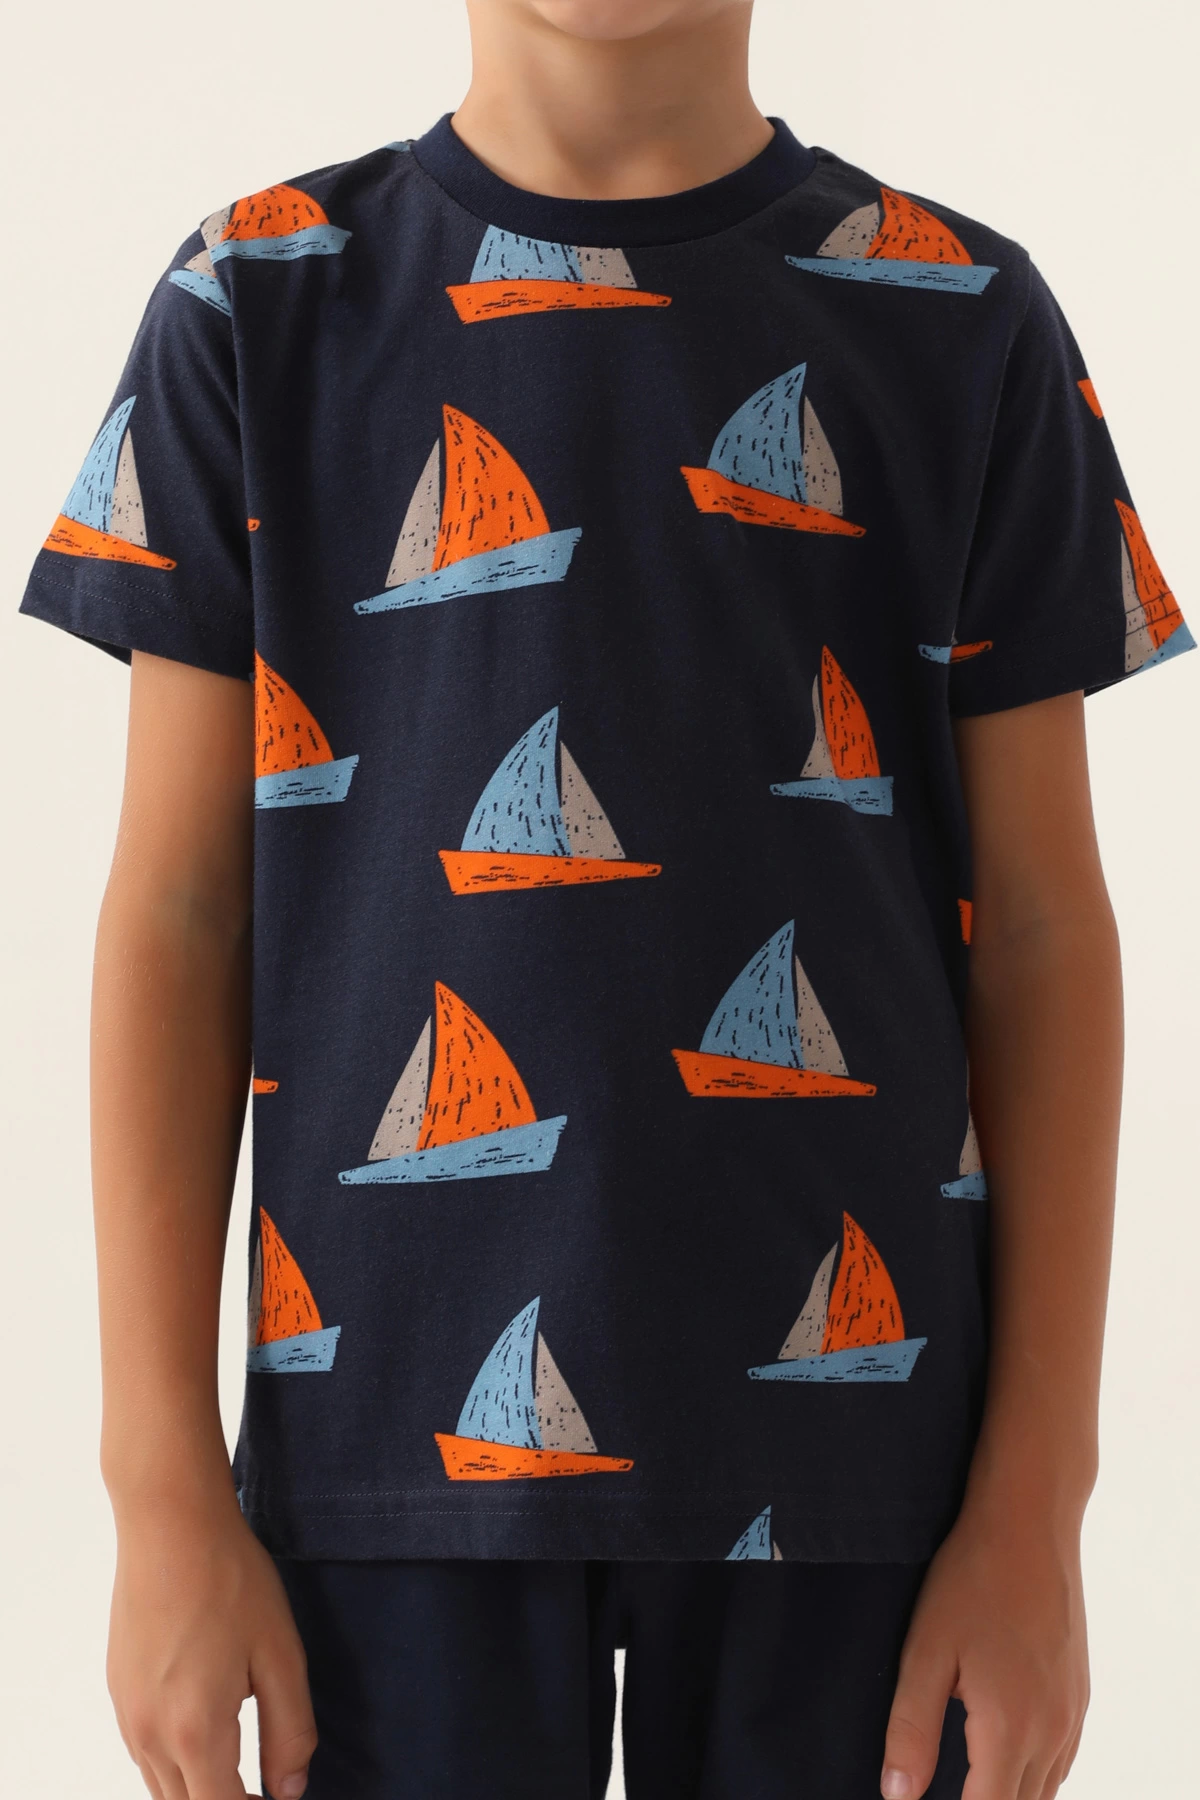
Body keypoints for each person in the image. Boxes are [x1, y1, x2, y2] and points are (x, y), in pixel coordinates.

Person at [18, 1, 1192, 1796]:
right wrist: (158, 1487)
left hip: (869, 1486)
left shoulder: (964, 312)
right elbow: (180, 916)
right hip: (379, 1466)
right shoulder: (253, 298)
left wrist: (1040, 1501)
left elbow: (1044, 933)